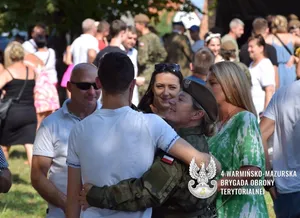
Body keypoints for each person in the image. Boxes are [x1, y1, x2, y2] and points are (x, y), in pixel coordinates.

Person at [66, 52, 221, 218]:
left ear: (98, 83)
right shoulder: (153, 124)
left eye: (180, 98)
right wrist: (215, 163)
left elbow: (73, 197)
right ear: (133, 85)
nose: (172, 99)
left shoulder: (78, 130)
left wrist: (93, 195)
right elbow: (198, 160)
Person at [31, 63, 101, 218]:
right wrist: (68, 206)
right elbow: (37, 175)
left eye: (96, 85)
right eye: (84, 86)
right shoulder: (51, 124)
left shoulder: (112, 119)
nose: (91, 91)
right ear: (69, 87)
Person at [207, 62, 268, 218]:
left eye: (212, 83)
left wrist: (211, 187)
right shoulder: (216, 124)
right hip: (222, 211)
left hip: (245, 211)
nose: (206, 86)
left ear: (230, 86)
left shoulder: (244, 119)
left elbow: (252, 171)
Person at [260, 81, 300, 218]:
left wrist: (268, 181)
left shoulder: (283, 93)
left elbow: (260, 135)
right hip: (287, 192)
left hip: (286, 192)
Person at [0, 42, 36, 167]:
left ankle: (3, 174)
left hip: (12, 113)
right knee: (30, 146)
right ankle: (35, 179)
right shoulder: (31, 71)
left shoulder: (8, 72)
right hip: (30, 112)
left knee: (4, 146)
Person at [239, 18, 279, 88]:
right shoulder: (271, 49)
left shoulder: (244, 48)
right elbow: (275, 74)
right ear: (267, 30)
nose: (249, 49)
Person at [134, 13, 168, 96]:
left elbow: (141, 60)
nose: (135, 26)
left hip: (144, 75)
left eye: (136, 24)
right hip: (154, 72)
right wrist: (155, 63)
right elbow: (164, 54)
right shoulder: (155, 37)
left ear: (141, 25)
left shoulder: (143, 39)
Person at [265, 15, 300, 88]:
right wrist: (297, 59)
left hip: (275, 70)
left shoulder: (270, 38)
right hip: (290, 69)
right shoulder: (291, 37)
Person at [248, 35, 275, 117]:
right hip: (252, 111)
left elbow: (269, 90)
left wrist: (265, 114)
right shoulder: (251, 64)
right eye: (248, 46)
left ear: (261, 48)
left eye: (252, 47)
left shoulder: (265, 64)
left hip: (260, 113)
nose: (248, 49)